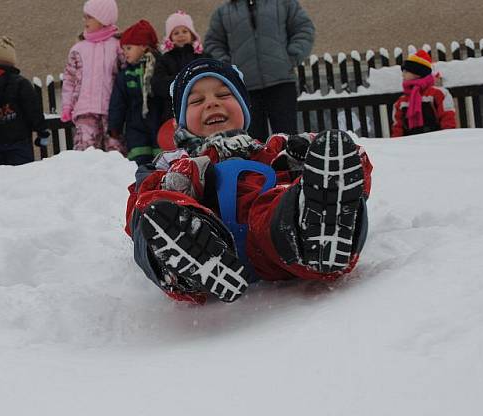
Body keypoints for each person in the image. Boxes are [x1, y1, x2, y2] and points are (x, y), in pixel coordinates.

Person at [124, 58, 373, 304]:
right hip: (212, 237)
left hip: (274, 242)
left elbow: (351, 164)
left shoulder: (274, 150)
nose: (211, 103)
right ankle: (185, 259)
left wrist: (307, 155)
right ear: (181, 119)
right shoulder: (171, 161)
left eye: (223, 95)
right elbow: (139, 202)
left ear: (243, 108)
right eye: (197, 100)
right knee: (152, 209)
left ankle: (313, 232)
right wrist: (183, 177)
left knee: (282, 198)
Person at [205, 0, 315, 141]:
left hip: (281, 83)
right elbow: (212, 43)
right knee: (253, 142)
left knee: (287, 140)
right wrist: (229, 67)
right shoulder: (224, 12)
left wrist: (291, 57)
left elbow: (304, 29)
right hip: (245, 88)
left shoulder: (283, 3)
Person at [61, 0, 125, 154]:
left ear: (103, 19)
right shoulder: (78, 49)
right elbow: (69, 79)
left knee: (115, 151)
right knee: (85, 151)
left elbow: (124, 75)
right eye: (85, 17)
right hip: (85, 109)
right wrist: (67, 105)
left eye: (89, 17)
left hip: (111, 109)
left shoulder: (117, 46)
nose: (85, 21)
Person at [0, 36, 51, 166]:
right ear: (12, 62)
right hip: (19, 144)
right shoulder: (20, 83)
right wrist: (42, 131)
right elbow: (33, 110)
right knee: (21, 181)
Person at [108, 20, 164, 166]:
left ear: (144, 46)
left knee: (162, 161)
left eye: (128, 48)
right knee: (140, 162)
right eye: (123, 49)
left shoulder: (160, 67)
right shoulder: (126, 74)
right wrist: (115, 126)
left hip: (159, 122)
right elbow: (118, 102)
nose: (124, 52)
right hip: (135, 126)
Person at [151, 10, 208, 124]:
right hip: (173, 113)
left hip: (201, 110)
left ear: (192, 34)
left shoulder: (202, 56)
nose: (180, 35)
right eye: (176, 33)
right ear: (170, 38)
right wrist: (182, 80)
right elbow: (158, 84)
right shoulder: (165, 59)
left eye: (184, 31)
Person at [391, 50, 457, 137]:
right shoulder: (401, 102)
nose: (403, 75)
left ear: (418, 73)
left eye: (406, 71)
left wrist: (448, 137)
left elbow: (447, 117)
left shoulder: (438, 94)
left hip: (437, 140)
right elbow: (397, 127)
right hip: (411, 144)